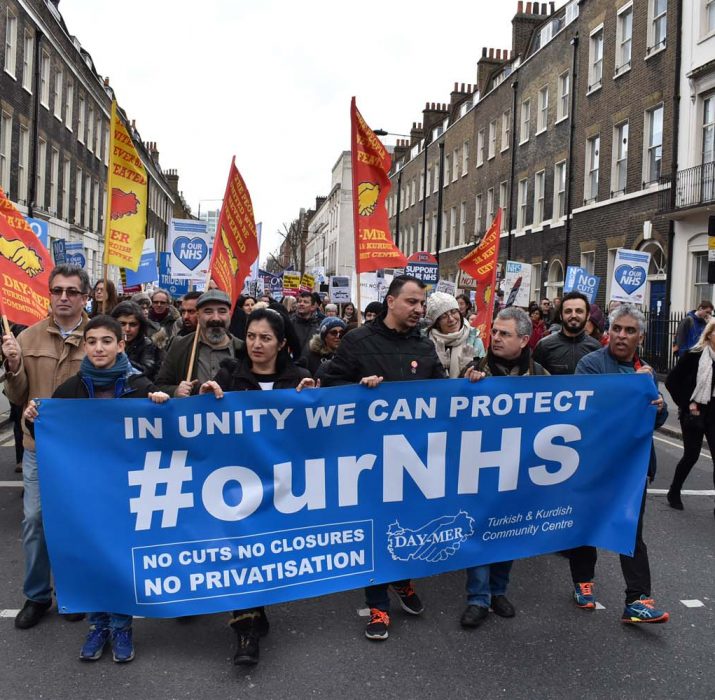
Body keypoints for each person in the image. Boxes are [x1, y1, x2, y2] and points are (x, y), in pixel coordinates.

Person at [23, 315, 169, 662]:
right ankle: (97, 625)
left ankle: (121, 625)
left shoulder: (140, 387)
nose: (98, 348)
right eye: (92, 341)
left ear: (121, 345)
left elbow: (165, 437)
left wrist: (165, 405)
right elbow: (51, 436)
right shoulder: (68, 391)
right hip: (85, 494)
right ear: (84, 346)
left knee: (119, 556)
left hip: (126, 491)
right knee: (91, 556)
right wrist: (33, 416)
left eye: (107, 341)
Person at [322, 275, 445, 641]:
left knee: (406, 526)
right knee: (376, 529)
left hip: (413, 459)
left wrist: (469, 382)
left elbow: (444, 394)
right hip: (370, 459)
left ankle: (402, 581)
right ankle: (378, 605)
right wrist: (357, 390)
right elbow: (328, 387)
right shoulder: (357, 342)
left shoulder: (424, 348)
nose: (419, 310)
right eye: (412, 302)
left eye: (422, 304)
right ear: (390, 301)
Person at [198, 308, 315, 665]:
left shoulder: (301, 377)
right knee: (240, 552)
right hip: (236, 484)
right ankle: (245, 632)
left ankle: (257, 607)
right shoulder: (230, 375)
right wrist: (202, 396)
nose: (256, 344)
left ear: (281, 343)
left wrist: (313, 400)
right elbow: (201, 421)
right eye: (250, 336)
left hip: (281, 485)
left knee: (267, 553)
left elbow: (316, 434)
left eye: (265, 338)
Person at [1, 264, 90, 629]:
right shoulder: (27, 338)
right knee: (35, 521)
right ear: (49, 295)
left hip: (85, 454)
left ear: (85, 296)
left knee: (79, 524)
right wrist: (14, 365)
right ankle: (37, 595)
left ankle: (76, 591)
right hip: (39, 449)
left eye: (72, 291)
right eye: (57, 291)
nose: (64, 298)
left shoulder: (99, 337)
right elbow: (18, 397)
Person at [573, 304, 669, 623]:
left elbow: (653, 419)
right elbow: (586, 412)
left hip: (632, 466)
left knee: (631, 529)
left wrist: (657, 406)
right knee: (588, 523)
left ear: (640, 336)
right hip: (595, 463)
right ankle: (583, 581)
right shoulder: (590, 365)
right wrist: (632, 392)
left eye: (629, 331)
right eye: (617, 329)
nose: (621, 335)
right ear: (608, 331)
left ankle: (637, 600)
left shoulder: (646, 371)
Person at [459, 307, 547, 629]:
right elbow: (451, 417)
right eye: (494, 332)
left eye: (504, 334)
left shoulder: (540, 377)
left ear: (524, 340)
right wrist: (467, 387)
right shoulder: (475, 371)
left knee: (507, 531)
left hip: (519, 471)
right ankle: (477, 598)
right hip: (480, 470)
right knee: (479, 531)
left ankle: (499, 592)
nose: (495, 338)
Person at [664, 317, 715, 514]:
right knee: (691, 455)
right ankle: (674, 491)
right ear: (709, 334)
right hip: (694, 411)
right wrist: (687, 404)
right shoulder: (694, 355)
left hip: (714, 411)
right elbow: (671, 381)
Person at [155, 290, 244, 397]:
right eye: (208, 311)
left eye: (222, 311)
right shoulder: (180, 346)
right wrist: (176, 391)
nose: (216, 318)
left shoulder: (243, 349)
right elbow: (160, 386)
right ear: (198, 315)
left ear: (230, 314)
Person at [533, 292, 601, 375]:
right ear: (561, 315)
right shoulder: (544, 346)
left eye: (579, 311)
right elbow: (534, 382)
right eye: (568, 311)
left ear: (587, 316)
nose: (573, 315)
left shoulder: (596, 348)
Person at [425, 292, 484, 377]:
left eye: (453, 312)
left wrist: (468, 368)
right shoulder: (427, 342)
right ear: (437, 323)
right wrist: (439, 367)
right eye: (444, 316)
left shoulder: (475, 341)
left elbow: (483, 376)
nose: (451, 319)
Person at [110, 301, 164, 381]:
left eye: (133, 324)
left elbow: (146, 371)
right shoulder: (107, 342)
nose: (127, 329)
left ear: (140, 326)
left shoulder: (147, 344)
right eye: (122, 324)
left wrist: (121, 356)